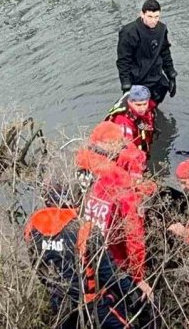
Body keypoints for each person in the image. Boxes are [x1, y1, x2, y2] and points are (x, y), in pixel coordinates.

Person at [24, 181, 154, 328]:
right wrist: (135, 291)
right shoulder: (83, 231)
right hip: (93, 304)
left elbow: (38, 268)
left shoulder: (32, 228)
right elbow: (111, 274)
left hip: (60, 302)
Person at [82, 167, 153, 299]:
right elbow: (134, 239)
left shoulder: (98, 182)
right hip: (112, 261)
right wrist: (138, 277)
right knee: (140, 300)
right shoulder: (128, 198)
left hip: (85, 253)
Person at [117, 0, 177, 104]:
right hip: (137, 79)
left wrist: (171, 75)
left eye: (156, 17)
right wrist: (126, 86)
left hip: (156, 76)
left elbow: (165, 53)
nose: (153, 21)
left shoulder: (162, 29)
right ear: (142, 14)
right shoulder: (128, 33)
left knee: (160, 93)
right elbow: (123, 61)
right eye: (150, 17)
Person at [75, 121, 146, 181]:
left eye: (118, 141)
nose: (116, 145)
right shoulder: (97, 163)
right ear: (99, 143)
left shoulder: (121, 146)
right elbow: (122, 181)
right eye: (111, 143)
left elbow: (134, 153)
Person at [106, 85, 158, 153]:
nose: (142, 108)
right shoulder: (123, 121)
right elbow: (125, 149)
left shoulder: (147, 109)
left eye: (144, 104)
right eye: (138, 105)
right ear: (130, 102)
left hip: (142, 143)